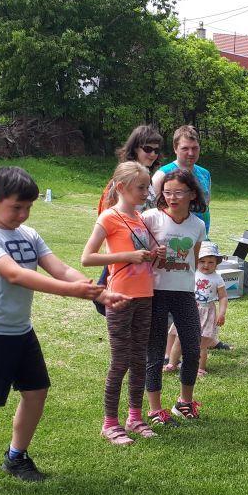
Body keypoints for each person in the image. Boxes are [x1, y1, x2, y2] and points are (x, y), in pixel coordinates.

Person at [0, 167, 126, 488]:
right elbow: (15, 274)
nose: (23, 214)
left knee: (36, 392)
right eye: (16, 207)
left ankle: (16, 457)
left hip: (19, 330)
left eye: (28, 207)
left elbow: (60, 269)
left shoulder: (28, 235)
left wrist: (98, 292)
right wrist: (72, 292)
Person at [83, 163, 159, 444]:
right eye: (141, 187)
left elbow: (142, 255)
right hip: (119, 297)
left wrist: (155, 253)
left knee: (140, 359)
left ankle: (135, 418)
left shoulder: (139, 217)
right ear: (121, 188)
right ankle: (110, 423)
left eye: (147, 186)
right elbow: (87, 258)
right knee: (120, 361)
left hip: (145, 295)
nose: (146, 192)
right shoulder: (109, 218)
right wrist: (128, 256)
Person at [153, 125, 230, 352]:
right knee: (172, 292)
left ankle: (205, 337)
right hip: (172, 240)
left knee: (199, 288)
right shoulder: (163, 174)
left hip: (199, 238)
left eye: (195, 148)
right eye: (185, 148)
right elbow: (155, 207)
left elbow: (206, 204)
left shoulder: (204, 173)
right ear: (175, 148)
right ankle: (168, 348)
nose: (190, 153)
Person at [141, 168, 207, 420]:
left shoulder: (198, 225)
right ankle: (155, 409)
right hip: (155, 292)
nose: (172, 197)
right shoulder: (150, 218)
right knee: (155, 351)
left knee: (192, 348)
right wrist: (152, 256)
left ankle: (184, 402)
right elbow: (137, 255)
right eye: (167, 192)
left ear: (192, 194)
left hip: (184, 293)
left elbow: (194, 259)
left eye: (178, 192)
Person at [170, 242, 228, 377]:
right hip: (189, 308)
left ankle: (200, 368)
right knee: (179, 338)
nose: (206, 265)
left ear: (217, 263)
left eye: (211, 262)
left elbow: (223, 297)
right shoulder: (192, 273)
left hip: (207, 312)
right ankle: (172, 363)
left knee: (201, 344)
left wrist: (222, 313)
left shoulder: (217, 279)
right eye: (202, 261)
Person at [98, 125, 164, 214]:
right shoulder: (121, 181)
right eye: (148, 149)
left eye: (156, 150)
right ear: (135, 148)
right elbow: (108, 215)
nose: (153, 154)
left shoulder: (147, 180)